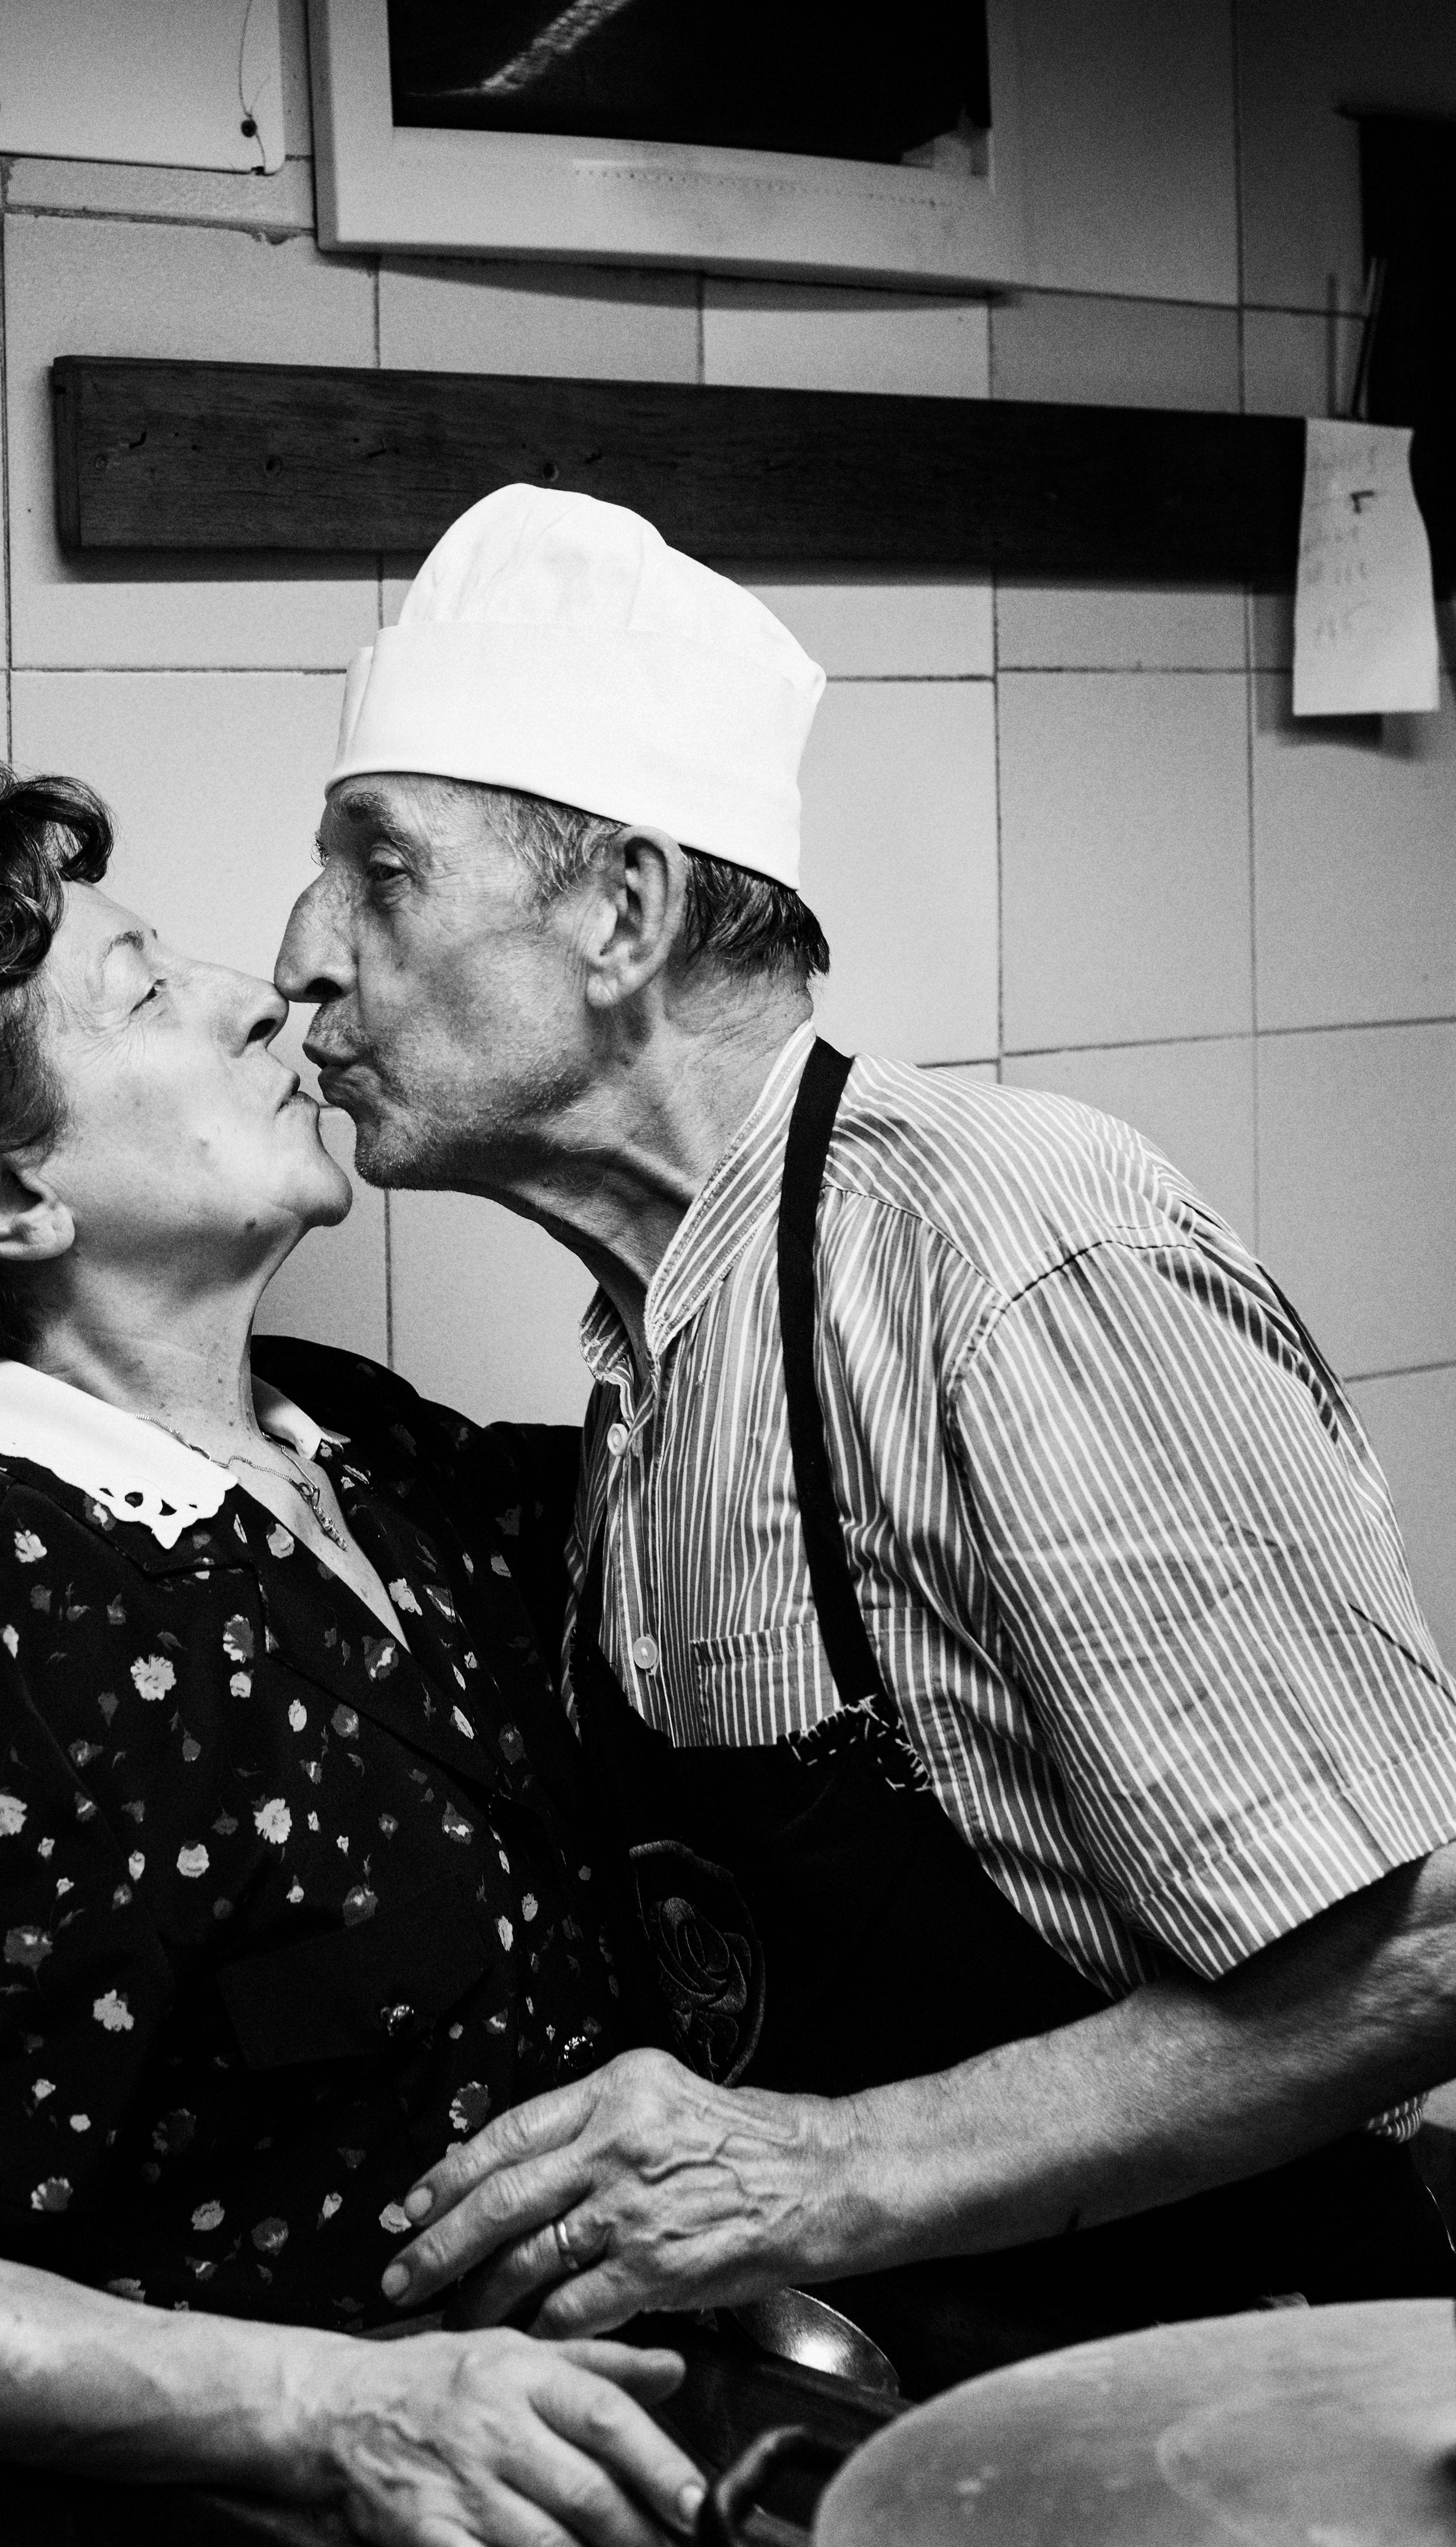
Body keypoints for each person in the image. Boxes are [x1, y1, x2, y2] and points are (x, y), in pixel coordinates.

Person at [274, 482, 1456, 2399]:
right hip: (894, 2401)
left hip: (1228, 2398)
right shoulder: (660, 1337)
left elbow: (1420, 1954)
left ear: (624, 911)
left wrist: (824, 2170)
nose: (303, 953)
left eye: (380, 869)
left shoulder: (1000, 1253)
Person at [0, 756, 705, 2541]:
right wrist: (350, 2410)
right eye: (147, 987)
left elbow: (702, 1516)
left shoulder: (353, 1445)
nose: (264, 994)